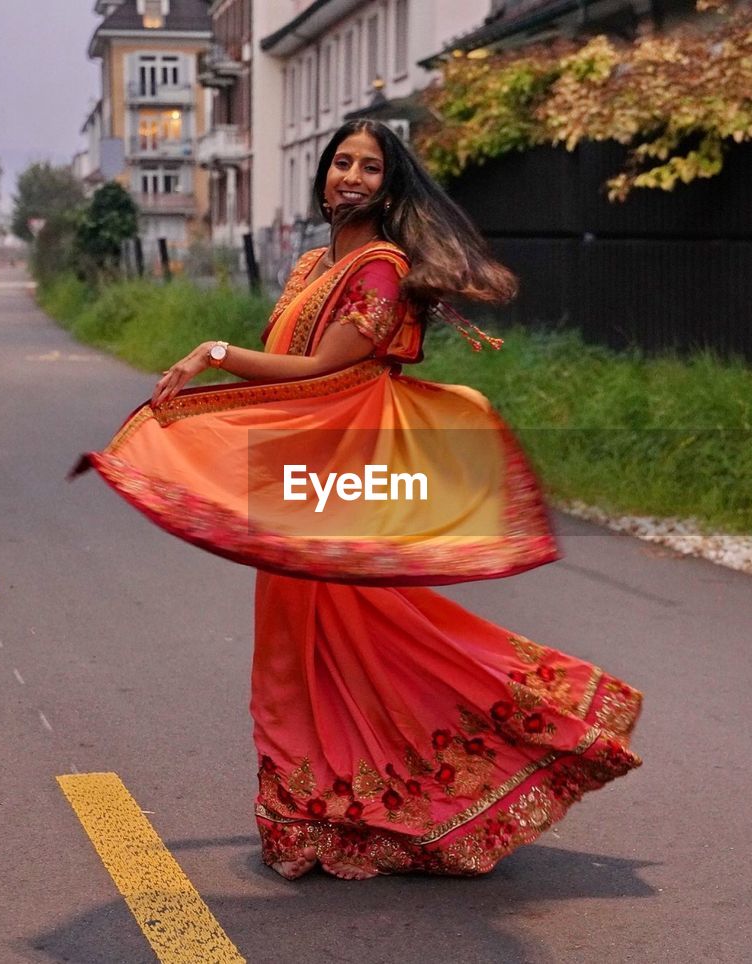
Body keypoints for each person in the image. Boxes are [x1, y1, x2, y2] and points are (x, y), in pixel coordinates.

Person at [81, 120, 641, 880]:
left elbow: (324, 368)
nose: (351, 176)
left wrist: (210, 354)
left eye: (369, 167)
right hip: (300, 485)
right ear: (322, 175)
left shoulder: (381, 269)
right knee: (328, 651)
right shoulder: (315, 264)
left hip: (341, 490)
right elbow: (283, 372)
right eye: (341, 162)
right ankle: (337, 812)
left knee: (346, 645)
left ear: (389, 184)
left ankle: (530, 729)